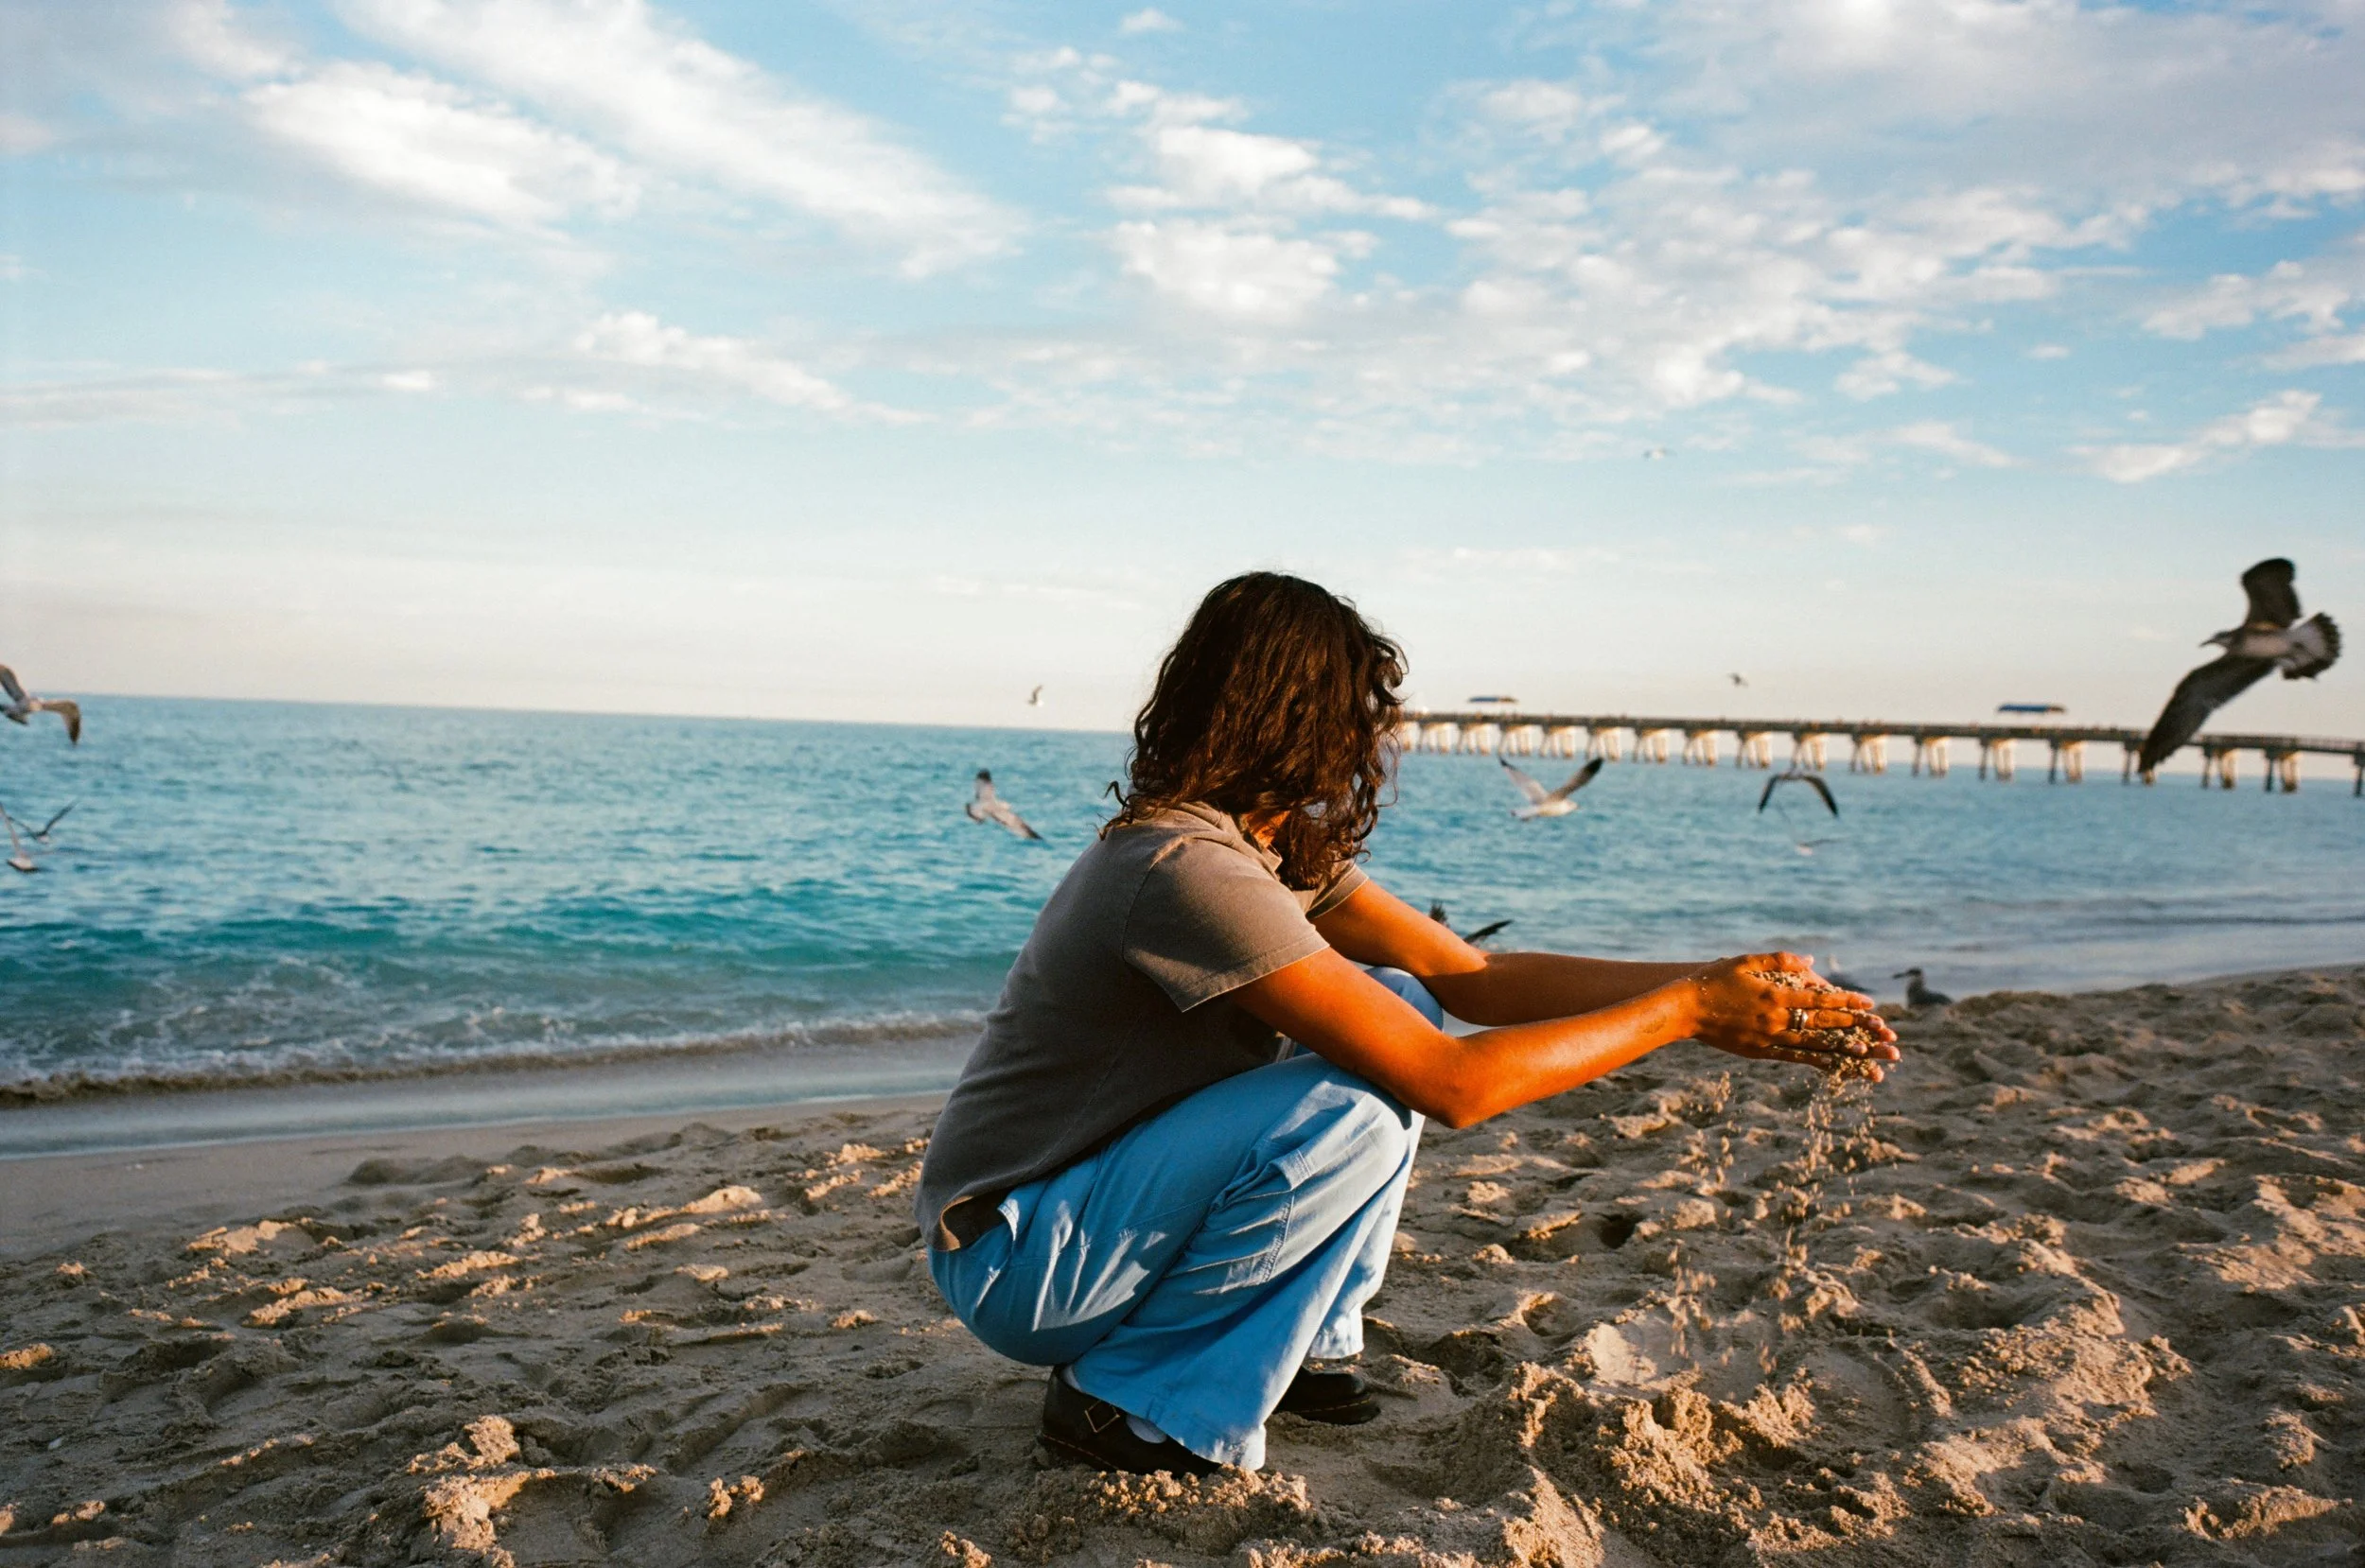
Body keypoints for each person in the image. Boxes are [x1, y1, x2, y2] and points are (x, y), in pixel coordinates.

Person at [917, 572, 1898, 1477]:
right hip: (1016, 1256)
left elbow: (1467, 971)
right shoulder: (1185, 868)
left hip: (1093, 1221)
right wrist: (1689, 1011)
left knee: (1401, 1000)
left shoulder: (1268, 848)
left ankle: (1309, 1342)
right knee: (1362, 1097)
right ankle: (1121, 1402)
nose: (1373, 735)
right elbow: (1452, 1082)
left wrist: (1720, 979)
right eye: (1361, 708)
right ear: (1302, 715)